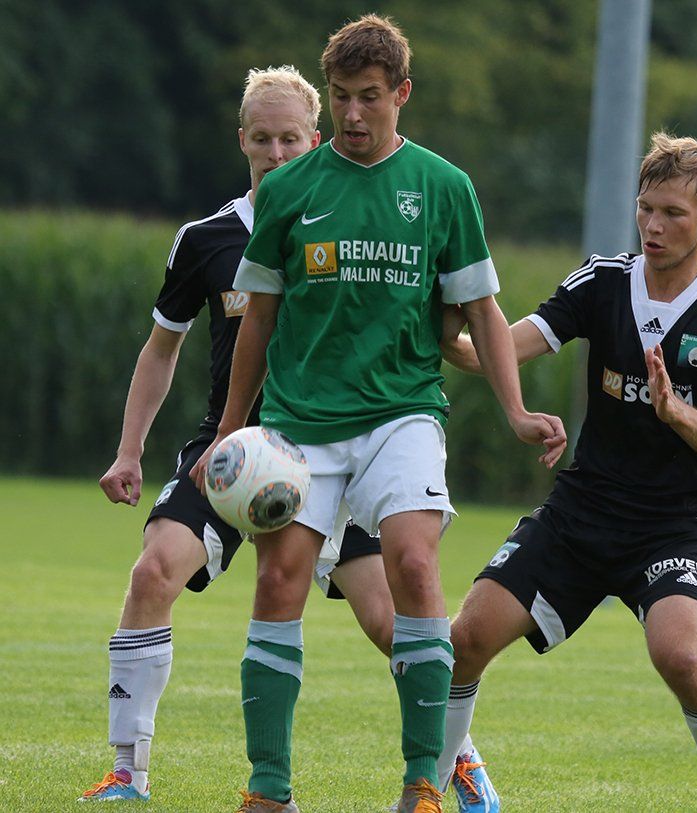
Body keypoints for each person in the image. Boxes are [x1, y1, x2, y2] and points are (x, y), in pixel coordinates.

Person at [190, 14, 566, 813]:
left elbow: (483, 311)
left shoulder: (443, 187)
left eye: (369, 96)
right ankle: (269, 790)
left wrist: (516, 409)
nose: (353, 113)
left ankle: (423, 781)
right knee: (279, 580)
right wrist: (228, 431)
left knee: (416, 566)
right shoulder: (288, 190)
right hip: (298, 423)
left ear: (402, 93)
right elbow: (257, 320)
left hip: (403, 413)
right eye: (340, 97)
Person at [79, 66, 396, 803]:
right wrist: (128, 451)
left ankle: (461, 760)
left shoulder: (349, 225)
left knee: (391, 621)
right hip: (229, 452)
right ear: (242, 140)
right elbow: (162, 348)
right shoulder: (206, 239)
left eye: (290, 139)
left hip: (327, 451)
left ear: (315, 139)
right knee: (153, 572)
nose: (276, 154)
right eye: (262, 139)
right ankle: (127, 771)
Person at [438, 132, 697, 813]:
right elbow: (498, 350)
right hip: (580, 513)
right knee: (463, 639)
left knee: (681, 656)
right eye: (646, 208)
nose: (653, 225)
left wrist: (676, 412)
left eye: (673, 213)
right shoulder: (603, 280)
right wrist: (450, 329)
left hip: (671, 523)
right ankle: (426, 791)